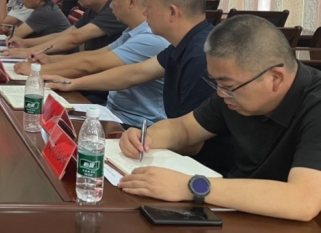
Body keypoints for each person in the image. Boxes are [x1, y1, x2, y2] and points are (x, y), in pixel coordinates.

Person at [117, 15, 321, 222]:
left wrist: (190, 186)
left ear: (275, 78)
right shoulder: (233, 94)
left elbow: (303, 200)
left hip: (292, 229)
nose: (221, 93)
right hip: (237, 212)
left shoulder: (315, 105)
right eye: (216, 84)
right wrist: (147, 138)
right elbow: (184, 129)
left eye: (228, 86)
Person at [48, 0, 232, 173]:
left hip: (199, 166)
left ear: (172, 12)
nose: (145, 13)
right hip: (171, 147)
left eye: (149, 6)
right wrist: (73, 83)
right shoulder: (183, 44)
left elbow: (192, 141)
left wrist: (145, 138)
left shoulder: (201, 56)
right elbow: (135, 73)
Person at [16, 0, 169, 127]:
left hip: (136, 124)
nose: (110, 5)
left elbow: (92, 64)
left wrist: (39, 72)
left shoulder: (150, 38)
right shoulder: (132, 31)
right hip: (113, 112)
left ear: (131, 2)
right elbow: (95, 55)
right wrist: (50, 60)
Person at [5, 0, 127, 57]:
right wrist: (26, 44)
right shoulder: (93, 11)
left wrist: (30, 51)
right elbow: (66, 34)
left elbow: (75, 38)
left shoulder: (113, 12)